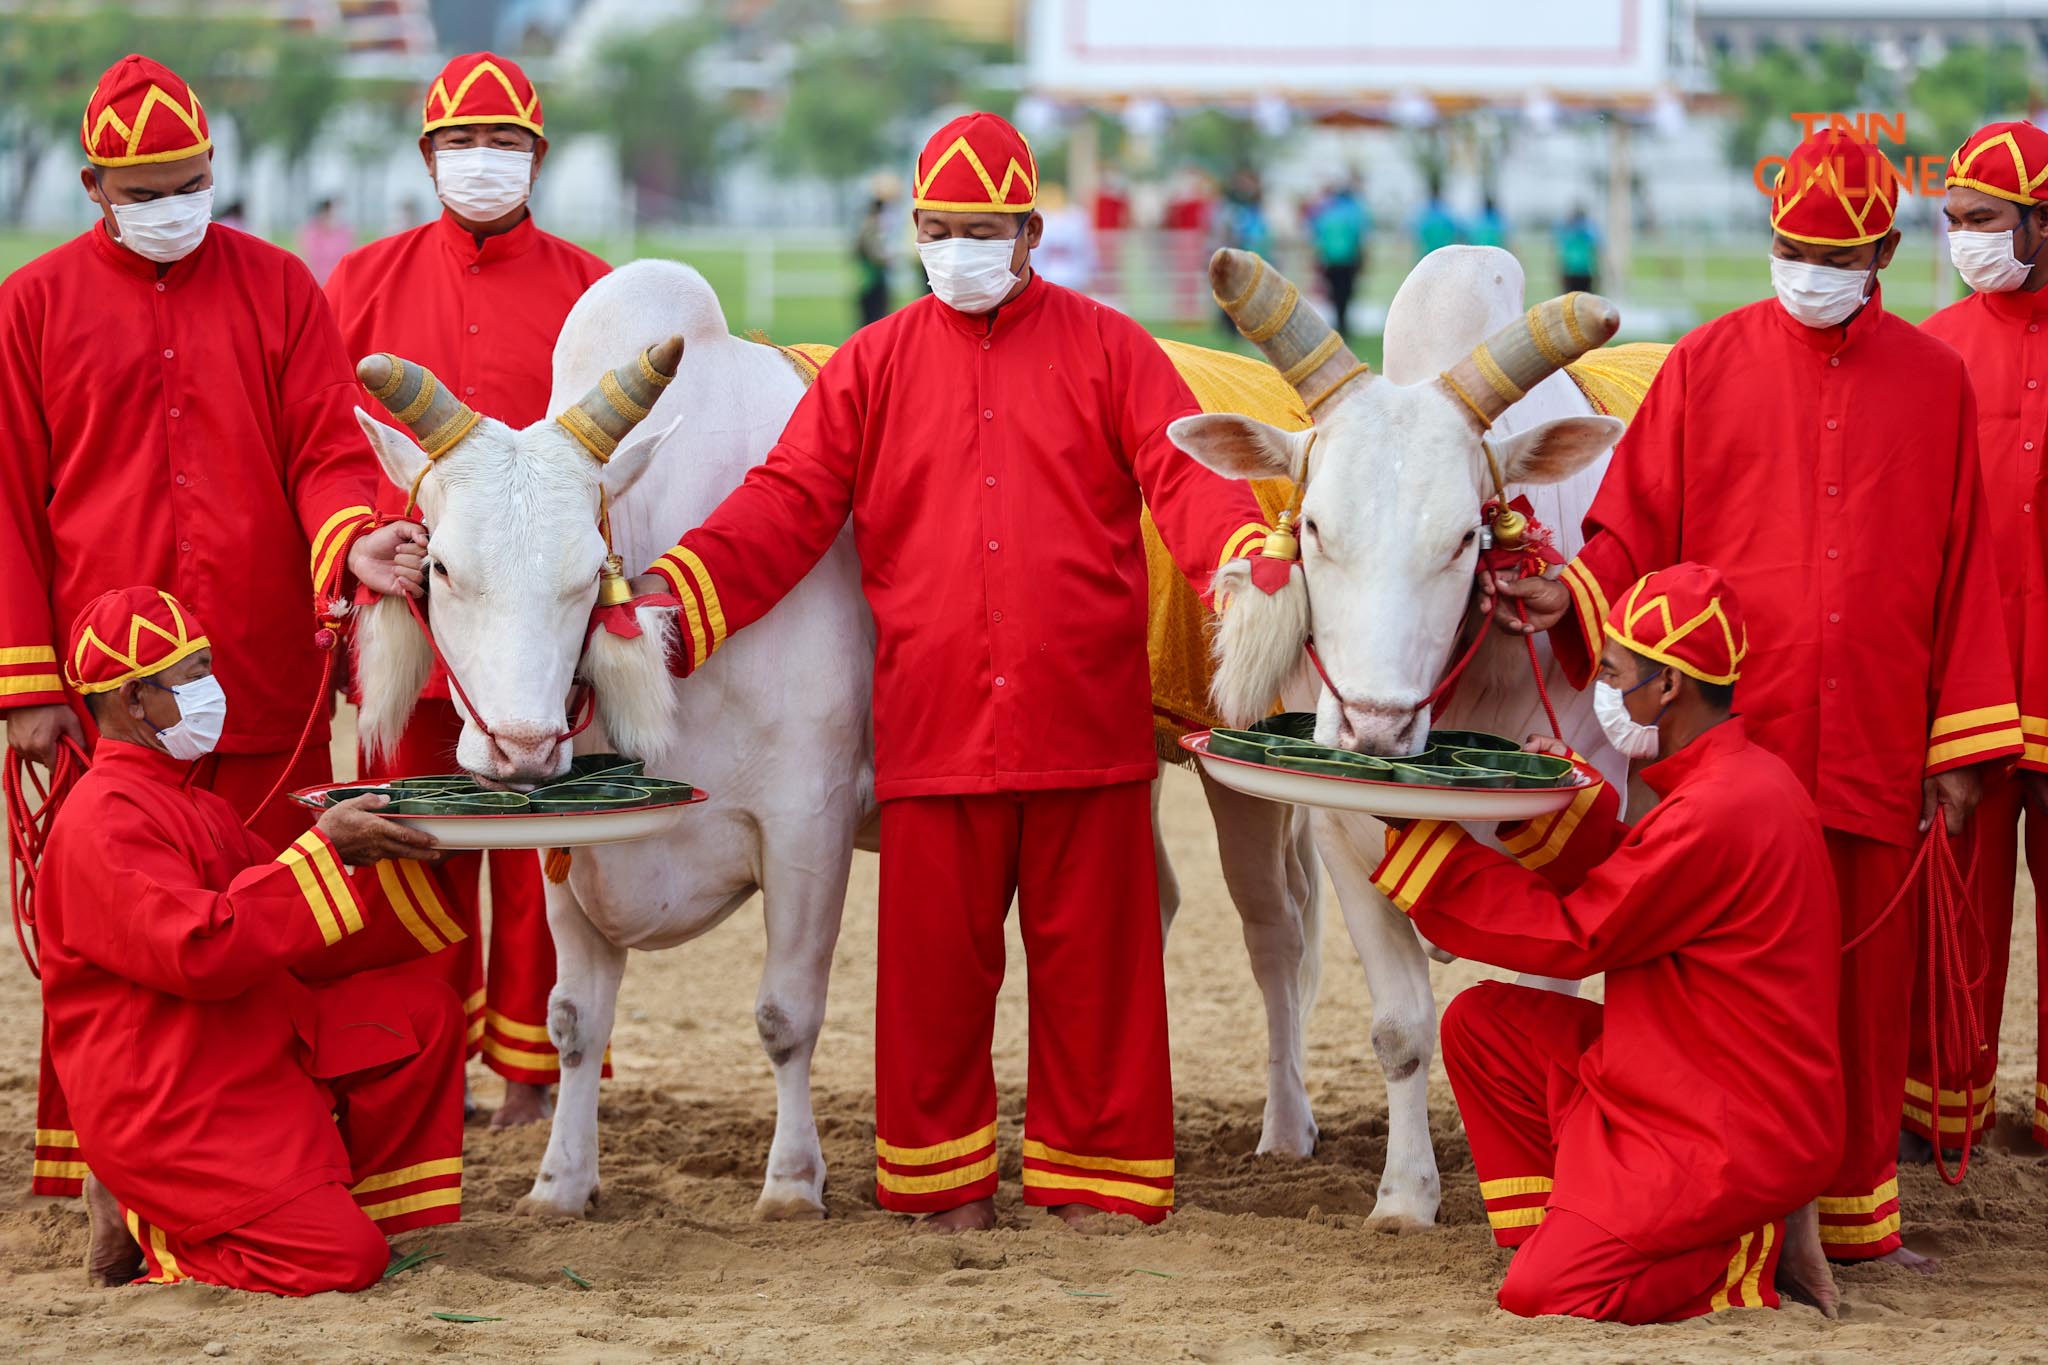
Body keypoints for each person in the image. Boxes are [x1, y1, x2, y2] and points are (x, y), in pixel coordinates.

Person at [629, 112, 1279, 1231]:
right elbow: (786, 506)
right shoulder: (871, 365)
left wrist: (1242, 560)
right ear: (914, 228)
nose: (959, 246)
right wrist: (671, 604)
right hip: (932, 731)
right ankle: (942, 1190)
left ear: (1029, 232)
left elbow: (1183, 480)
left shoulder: (1115, 346)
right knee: (932, 986)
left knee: (1097, 983)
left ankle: (1097, 1187)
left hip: (1086, 728)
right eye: (939, 227)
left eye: (982, 227)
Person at [1486, 128, 2020, 1273]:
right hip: (1731, 754)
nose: (1805, 265)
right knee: (1713, 991)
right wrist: (1567, 597)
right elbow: (1629, 524)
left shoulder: (1937, 381)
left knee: (1860, 990)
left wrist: (1961, 744)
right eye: (1787, 244)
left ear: (1879, 249)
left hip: (1877, 735)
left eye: (1831, 249)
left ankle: (1848, 1225)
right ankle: (1710, 1203)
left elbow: (1965, 563)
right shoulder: (1702, 363)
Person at [0, 54, 425, 1195]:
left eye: (191, 181)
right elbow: (7, 501)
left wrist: (354, 543)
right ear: (95, 184)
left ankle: (259, 1159)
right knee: (130, 934)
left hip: (257, 676)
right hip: (108, 700)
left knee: (267, 923)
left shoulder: (283, 286)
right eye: (144, 191)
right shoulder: (27, 306)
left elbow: (327, 454)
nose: (173, 205)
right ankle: (108, 1173)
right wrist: (30, 686)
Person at [1382, 564, 1842, 1321]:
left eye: (1613, 672)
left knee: (1539, 1293)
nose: (1602, 686)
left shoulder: (1717, 808)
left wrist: (1436, 862)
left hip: (1718, 1122)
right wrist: (1567, 804)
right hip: (1676, 1063)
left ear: (1667, 689)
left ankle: (1736, 1255)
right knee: (1480, 1028)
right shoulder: (1736, 781)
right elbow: (1650, 883)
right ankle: (1571, 1224)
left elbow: (1582, 933)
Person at [324, 51, 611, 1126]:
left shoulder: (591, 289)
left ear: (539, 157)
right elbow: (325, 436)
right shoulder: (359, 282)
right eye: (459, 143)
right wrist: (370, 531)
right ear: (425, 156)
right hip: (413, 602)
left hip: (537, 626)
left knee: (543, 844)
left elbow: (606, 463)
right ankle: (416, 1067)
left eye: (504, 144)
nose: (481, 161)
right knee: (411, 836)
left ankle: (534, 1078)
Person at [41, 587, 463, 1294]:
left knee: (424, 1015)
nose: (212, 689)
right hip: (173, 1091)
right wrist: (327, 852)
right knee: (344, 1261)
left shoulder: (192, 801)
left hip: (245, 1035)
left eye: (209, 666)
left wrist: (405, 842)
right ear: (133, 701)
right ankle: (158, 1226)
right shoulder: (101, 819)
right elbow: (205, 949)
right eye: (191, 674)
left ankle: (321, 1202)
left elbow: (285, 923)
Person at [1916, 119, 2048, 1153]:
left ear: (2039, 224)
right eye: (1951, 221)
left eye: (1981, 221)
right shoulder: (1934, 349)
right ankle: (1942, 1116)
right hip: (1971, 691)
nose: (1961, 240)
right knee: (1955, 914)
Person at [1309, 175, 1369, 338]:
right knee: (1346, 292)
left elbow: (1318, 238)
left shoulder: (1325, 214)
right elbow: (1358, 237)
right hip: (1348, 259)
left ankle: (1339, 322)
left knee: (1334, 293)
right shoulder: (1352, 213)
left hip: (1330, 260)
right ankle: (1344, 324)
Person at [854, 176, 896, 326]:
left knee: (872, 318)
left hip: (869, 279)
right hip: (872, 280)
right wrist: (887, 259)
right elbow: (874, 254)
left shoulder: (868, 227)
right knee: (874, 319)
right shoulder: (871, 228)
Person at [299, 196, 353, 285]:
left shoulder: (344, 231)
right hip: (317, 280)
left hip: (339, 280)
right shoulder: (311, 231)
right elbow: (308, 256)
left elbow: (349, 255)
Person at [1557, 204, 1600, 294]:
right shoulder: (1586, 232)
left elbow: (1564, 256)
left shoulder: (1570, 233)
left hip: (1577, 273)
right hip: (1580, 273)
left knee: (1569, 302)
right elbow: (1594, 253)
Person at [1414, 183, 1463, 259]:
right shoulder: (1446, 212)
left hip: (1426, 255)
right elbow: (1454, 233)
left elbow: (1417, 234)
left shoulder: (1422, 212)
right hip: (1444, 255)